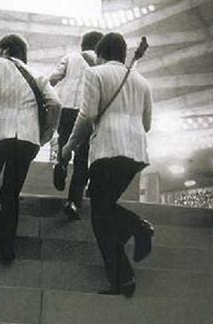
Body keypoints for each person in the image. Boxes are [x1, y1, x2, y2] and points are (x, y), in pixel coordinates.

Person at [61, 32, 153, 297]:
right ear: (123, 55)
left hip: (108, 149)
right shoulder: (142, 81)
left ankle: (136, 232)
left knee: (100, 219)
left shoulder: (96, 74)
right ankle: (126, 265)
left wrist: (67, 149)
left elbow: (87, 116)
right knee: (105, 209)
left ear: (100, 55)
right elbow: (147, 125)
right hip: (135, 153)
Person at [0, 34, 61, 263]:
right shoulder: (38, 76)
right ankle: (7, 251)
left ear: (3, 49)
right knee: (11, 193)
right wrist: (45, 134)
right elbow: (55, 104)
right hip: (27, 140)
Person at [49, 30, 103, 220]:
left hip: (66, 110)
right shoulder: (102, 63)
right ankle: (73, 202)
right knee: (82, 159)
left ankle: (61, 164)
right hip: (87, 112)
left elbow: (52, 79)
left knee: (65, 144)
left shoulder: (70, 57)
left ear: (82, 45)